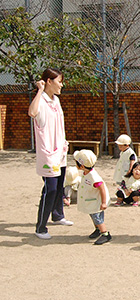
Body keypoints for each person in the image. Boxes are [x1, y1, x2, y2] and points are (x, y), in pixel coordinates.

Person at [28, 68, 73, 240]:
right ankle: (40, 227)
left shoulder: (56, 101)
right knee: (51, 188)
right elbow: (32, 112)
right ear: (48, 81)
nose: (61, 85)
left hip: (59, 151)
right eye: (59, 81)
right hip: (47, 154)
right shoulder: (41, 100)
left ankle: (58, 215)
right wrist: (39, 90)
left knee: (60, 184)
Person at [74, 150, 111, 245]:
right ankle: (98, 229)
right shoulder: (86, 173)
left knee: (97, 217)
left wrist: (103, 202)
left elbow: (102, 188)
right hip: (91, 200)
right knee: (92, 215)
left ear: (81, 166)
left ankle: (105, 233)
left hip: (96, 202)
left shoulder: (93, 176)